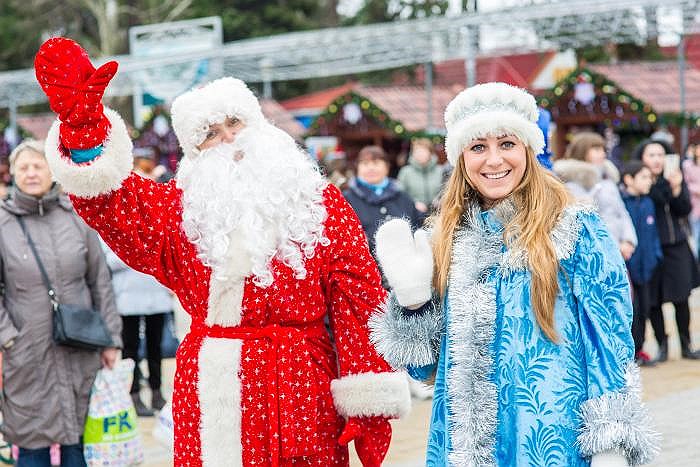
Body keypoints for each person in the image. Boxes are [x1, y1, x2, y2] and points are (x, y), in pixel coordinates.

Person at [34, 37, 410, 467]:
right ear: (193, 152)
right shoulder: (180, 212)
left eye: (235, 123)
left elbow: (359, 299)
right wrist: (84, 133)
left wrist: (368, 394)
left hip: (301, 385)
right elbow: (113, 203)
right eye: (210, 134)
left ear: (258, 125)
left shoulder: (320, 202)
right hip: (213, 392)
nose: (229, 139)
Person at [369, 82, 658, 466]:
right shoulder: (444, 241)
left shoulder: (575, 228)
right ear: (460, 157)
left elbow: (610, 342)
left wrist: (611, 443)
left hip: (552, 440)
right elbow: (427, 371)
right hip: (463, 446)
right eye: (477, 147)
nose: (493, 160)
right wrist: (412, 302)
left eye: (506, 144)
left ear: (528, 148)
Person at [0, 139, 122, 467]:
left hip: (80, 345)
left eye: (38, 165)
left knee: (77, 441)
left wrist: (111, 339)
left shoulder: (76, 217)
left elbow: (100, 280)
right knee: (32, 443)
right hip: (26, 350)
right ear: (12, 174)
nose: (31, 173)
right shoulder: (3, 223)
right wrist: (8, 337)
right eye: (23, 167)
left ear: (52, 171)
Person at [634, 138, 700, 361]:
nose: (656, 160)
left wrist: (677, 187)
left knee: (682, 297)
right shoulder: (639, 182)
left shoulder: (674, 178)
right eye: (651, 155)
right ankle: (661, 345)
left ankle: (685, 343)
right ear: (642, 158)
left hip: (677, 246)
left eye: (661, 155)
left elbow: (684, 209)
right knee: (654, 301)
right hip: (651, 249)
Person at [102, 241, 172, 416]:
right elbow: (107, 261)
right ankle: (133, 395)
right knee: (130, 349)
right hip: (128, 300)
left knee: (156, 348)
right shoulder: (117, 224)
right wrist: (135, 256)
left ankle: (157, 393)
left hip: (157, 296)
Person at [553, 131, 637, 261]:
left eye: (603, 149)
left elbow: (622, 213)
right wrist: (613, 246)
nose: (603, 154)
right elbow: (584, 224)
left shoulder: (608, 180)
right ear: (582, 151)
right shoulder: (570, 185)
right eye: (597, 149)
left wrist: (628, 240)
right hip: (592, 257)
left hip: (619, 254)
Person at [343, 145, 424, 256]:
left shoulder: (402, 196)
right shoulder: (347, 199)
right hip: (367, 265)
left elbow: (418, 226)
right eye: (365, 164)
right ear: (358, 168)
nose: (371, 168)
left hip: (404, 262)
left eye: (376, 163)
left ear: (386, 167)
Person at [620, 161, 663, 367]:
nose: (649, 181)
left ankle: (640, 349)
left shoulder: (648, 202)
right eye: (644, 177)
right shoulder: (620, 203)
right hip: (628, 267)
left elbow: (653, 234)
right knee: (632, 312)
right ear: (629, 179)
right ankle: (629, 354)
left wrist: (656, 255)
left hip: (647, 267)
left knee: (645, 309)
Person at [397, 138, 444, 213]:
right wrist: (414, 203)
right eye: (417, 151)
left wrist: (440, 199)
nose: (420, 154)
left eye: (423, 151)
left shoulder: (441, 171)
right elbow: (400, 194)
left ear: (430, 153)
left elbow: (447, 190)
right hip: (413, 213)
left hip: (438, 213)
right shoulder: (405, 172)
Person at [682, 143, 700, 254]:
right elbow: (685, 183)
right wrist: (697, 189)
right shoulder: (687, 165)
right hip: (694, 204)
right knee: (695, 233)